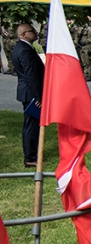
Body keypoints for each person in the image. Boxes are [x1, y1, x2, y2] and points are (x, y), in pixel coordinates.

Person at [13, 23, 44, 167]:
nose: (35, 32)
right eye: (32, 31)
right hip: (30, 92)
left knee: (30, 124)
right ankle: (30, 157)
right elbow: (31, 75)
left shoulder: (21, 47)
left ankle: (32, 154)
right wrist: (38, 96)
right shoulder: (25, 50)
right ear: (23, 35)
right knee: (31, 125)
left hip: (28, 91)